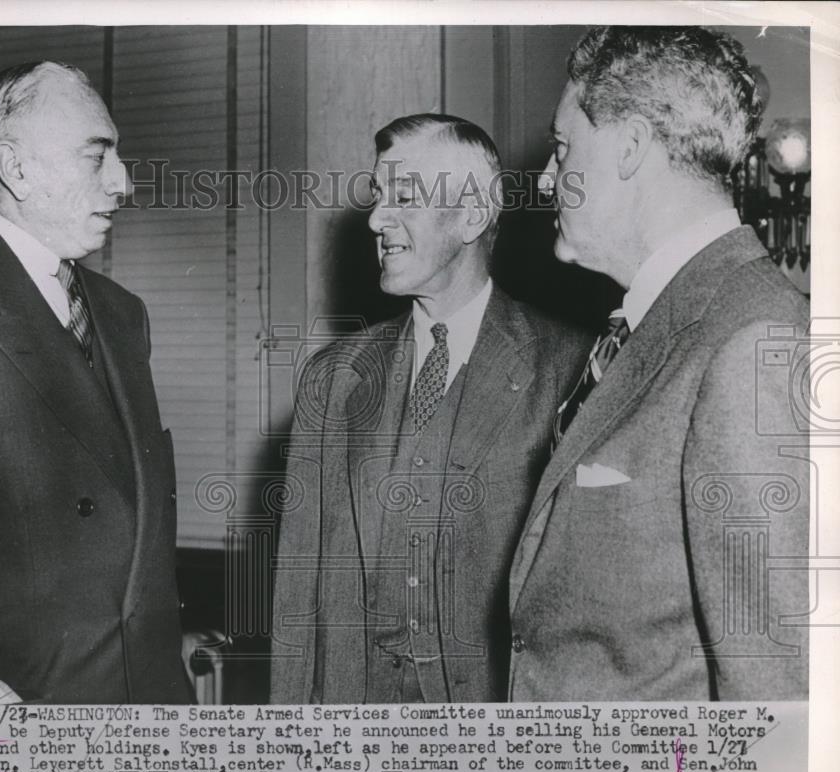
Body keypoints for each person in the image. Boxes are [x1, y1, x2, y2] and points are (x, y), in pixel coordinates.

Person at [0, 61, 193, 705]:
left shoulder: (122, 313)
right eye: (96, 154)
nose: (124, 183)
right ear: (16, 167)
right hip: (10, 713)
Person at [509, 26, 809, 700]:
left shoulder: (750, 341)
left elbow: (776, 705)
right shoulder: (650, 324)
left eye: (563, 150)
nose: (547, 177)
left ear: (632, 146)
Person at [270, 114, 590, 703]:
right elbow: (298, 595)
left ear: (473, 214)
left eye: (405, 197)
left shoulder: (570, 369)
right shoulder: (334, 378)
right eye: (377, 198)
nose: (375, 220)